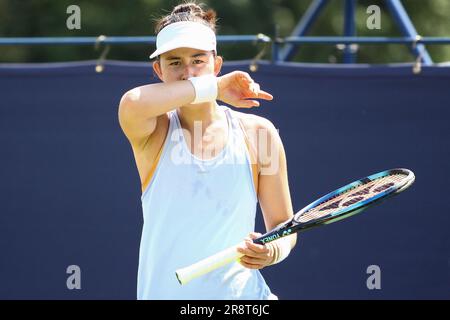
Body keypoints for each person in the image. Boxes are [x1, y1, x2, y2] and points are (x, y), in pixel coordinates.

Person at [118, 2, 296, 300]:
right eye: (174, 62)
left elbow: (284, 226)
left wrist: (272, 250)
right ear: (158, 70)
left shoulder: (259, 133)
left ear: (217, 65)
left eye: (198, 61)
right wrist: (211, 87)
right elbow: (133, 102)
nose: (188, 72)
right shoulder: (154, 130)